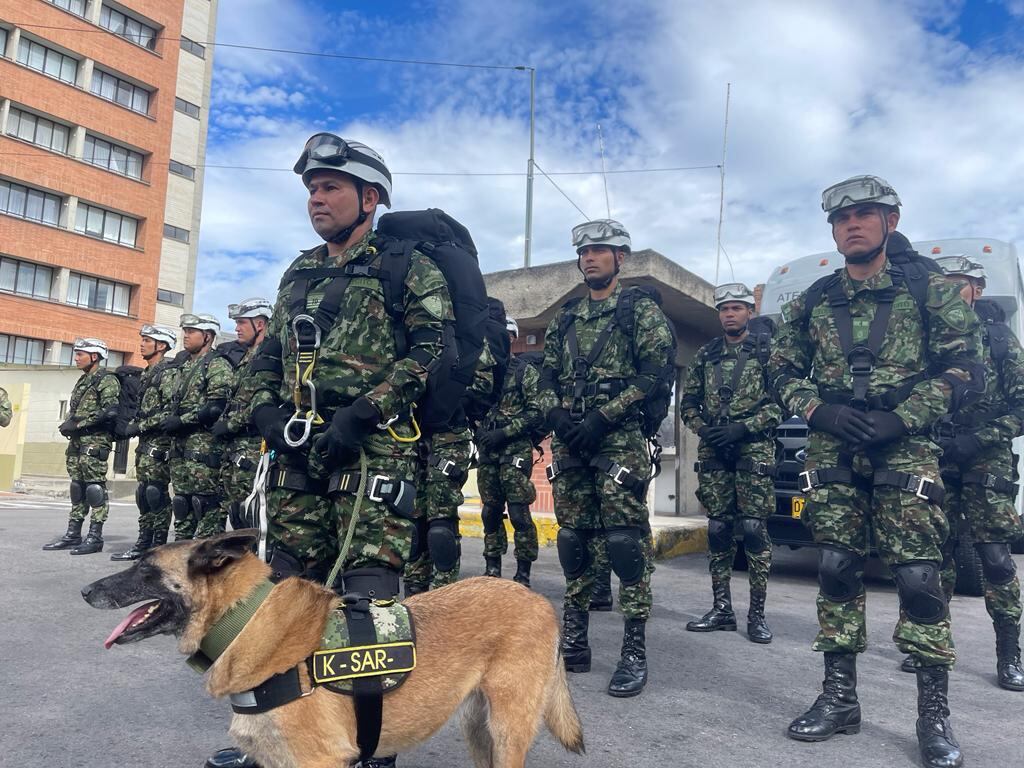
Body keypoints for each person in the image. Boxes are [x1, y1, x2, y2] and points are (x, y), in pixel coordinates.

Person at [209, 135, 452, 768]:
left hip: (373, 454)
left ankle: (372, 743)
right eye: (312, 189)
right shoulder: (299, 271)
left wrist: (362, 413)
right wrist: (265, 411)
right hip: (297, 457)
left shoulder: (407, 267)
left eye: (330, 188)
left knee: (367, 606)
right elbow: (267, 360)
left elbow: (429, 352)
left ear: (369, 197)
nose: (316, 199)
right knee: (287, 598)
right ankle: (282, 731)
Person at [772, 175, 982, 768]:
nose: (853, 224)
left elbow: (967, 366)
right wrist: (820, 410)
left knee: (918, 578)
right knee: (836, 567)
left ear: (890, 220)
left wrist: (904, 417)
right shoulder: (813, 298)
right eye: (842, 219)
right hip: (833, 445)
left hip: (903, 445)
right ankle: (840, 700)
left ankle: (932, 717)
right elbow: (780, 369)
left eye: (866, 214)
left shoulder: (929, 290)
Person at [538, 218, 675, 698]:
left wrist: (604, 415)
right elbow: (545, 375)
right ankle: (574, 643)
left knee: (624, 545)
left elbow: (653, 374)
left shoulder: (639, 311)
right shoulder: (566, 317)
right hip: (571, 441)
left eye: (600, 250)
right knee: (574, 542)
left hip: (618, 439)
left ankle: (633, 652)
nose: (590, 257)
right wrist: (556, 412)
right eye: (584, 251)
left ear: (621, 258)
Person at [920, 256, 1024, 691]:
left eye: (958, 284)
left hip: (986, 458)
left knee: (995, 557)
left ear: (976, 289)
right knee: (935, 554)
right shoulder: (929, 337)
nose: (948, 291)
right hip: (939, 453)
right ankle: (934, 646)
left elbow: (1021, 407)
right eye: (942, 284)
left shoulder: (1000, 341)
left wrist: (979, 439)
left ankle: (1009, 653)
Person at [680, 282, 781, 643]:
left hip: (752, 449)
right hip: (715, 451)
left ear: (749, 313)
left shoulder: (768, 352)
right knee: (720, 529)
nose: (730, 314)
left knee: (753, 529)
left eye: (737, 308)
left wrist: (745, 427)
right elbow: (687, 402)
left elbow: (780, 402)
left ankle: (757, 614)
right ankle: (722, 609)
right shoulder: (707, 355)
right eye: (724, 309)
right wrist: (704, 429)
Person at [403, 340, 495, 596]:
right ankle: (414, 597)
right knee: (413, 521)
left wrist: (449, 396)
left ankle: (446, 594)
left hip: (449, 436)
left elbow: (485, 383)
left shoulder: (467, 334)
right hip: (410, 436)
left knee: (441, 523)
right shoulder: (413, 330)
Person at [477, 315, 544, 586]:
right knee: (490, 512)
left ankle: (523, 571)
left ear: (512, 338)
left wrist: (503, 432)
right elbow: (471, 405)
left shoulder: (523, 371)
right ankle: (492, 566)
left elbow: (537, 412)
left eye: (504, 335)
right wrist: (479, 429)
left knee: (518, 513)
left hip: (514, 449)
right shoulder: (482, 373)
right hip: (488, 451)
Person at [43, 338, 119, 555]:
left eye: (80, 354)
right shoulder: (83, 380)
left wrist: (77, 424)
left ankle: (95, 537)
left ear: (94, 356)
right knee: (77, 488)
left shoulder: (107, 380)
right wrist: (68, 424)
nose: (76, 358)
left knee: (95, 489)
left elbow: (110, 411)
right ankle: (73, 534)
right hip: (77, 443)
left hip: (94, 442)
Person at [204, 298, 273, 538]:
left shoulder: (270, 356)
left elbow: (265, 402)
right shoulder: (246, 358)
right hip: (235, 451)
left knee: (253, 518)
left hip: (254, 449)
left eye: (242, 323)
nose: (236, 329)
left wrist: (230, 425)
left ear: (261, 324)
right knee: (237, 517)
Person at [161, 313, 233, 541]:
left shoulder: (217, 364)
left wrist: (183, 420)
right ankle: (182, 552)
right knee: (182, 501)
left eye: (192, 332)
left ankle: (208, 560)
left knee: (206, 502)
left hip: (203, 446)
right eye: (185, 331)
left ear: (208, 336)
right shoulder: (183, 367)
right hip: (180, 445)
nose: (186, 336)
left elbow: (216, 406)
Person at [111, 324, 177, 560]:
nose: (141, 344)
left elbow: (169, 410)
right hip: (145, 445)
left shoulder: (168, 373)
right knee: (143, 494)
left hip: (160, 443)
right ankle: (143, 543)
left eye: (147, 340)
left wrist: (141, 425)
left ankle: (158, 548)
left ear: (161, 346)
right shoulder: (146, 374)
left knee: (155, 493)